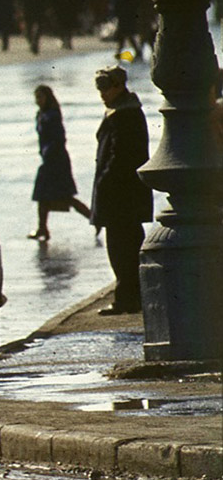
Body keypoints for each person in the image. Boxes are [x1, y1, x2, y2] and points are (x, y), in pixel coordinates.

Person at [91, 66, 152, 316]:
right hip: (127, 195)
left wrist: (104, 182)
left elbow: (119, 157)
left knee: (120, 249)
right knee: (128, 246)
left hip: (119, 195)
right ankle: (132, 297)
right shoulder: (127, 110)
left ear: (118, 86)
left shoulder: (123, 115)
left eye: (105, 87)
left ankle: (126, 299)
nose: (102, 93)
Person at [28, 85, 91, 241]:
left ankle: (93, 218)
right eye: (36, 97)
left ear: (47, 97)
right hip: (49, 159)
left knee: (65, 197)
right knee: (42, 196)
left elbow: (60, 138)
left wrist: (48, 152)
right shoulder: (41, 114)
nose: (38, 101)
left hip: (57, 161)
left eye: (40, 97)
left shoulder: (52, 115)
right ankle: (42, 229)